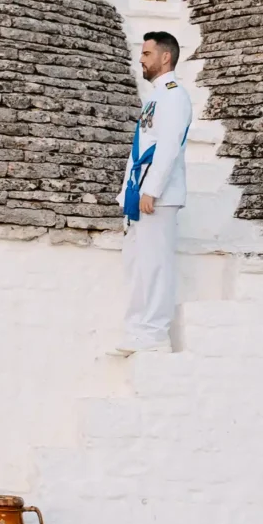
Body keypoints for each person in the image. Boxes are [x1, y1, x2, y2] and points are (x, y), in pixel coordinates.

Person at [115, 30, 193, 354]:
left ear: (165, 57)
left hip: (157, 197)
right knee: (138, 264)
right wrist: (127, 196)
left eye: (147, 54)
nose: (141, 59)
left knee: (156, 265)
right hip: (140, 194)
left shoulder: (175, 95)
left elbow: (168, 146)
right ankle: (136, 331)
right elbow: (141, 148)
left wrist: (151, 190)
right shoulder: (157, 96)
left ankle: (155, 335)